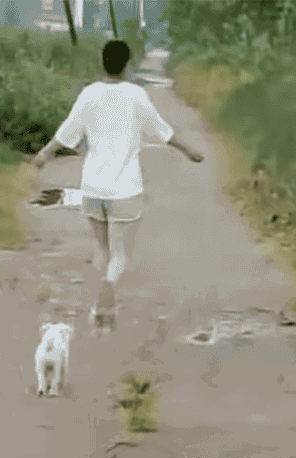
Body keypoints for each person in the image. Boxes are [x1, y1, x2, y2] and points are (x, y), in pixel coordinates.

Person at [32, 39, 203, 322]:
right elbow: (163, 132)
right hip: (125, 190)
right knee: (121, 254)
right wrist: (190, 151)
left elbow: (66, 132)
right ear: (127, 65)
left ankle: (100, 306)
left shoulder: (89, 94)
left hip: (93, 187)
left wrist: (43, 155)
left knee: (102, 249)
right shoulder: (135, 96)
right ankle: (108, 288)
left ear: (102, 62)